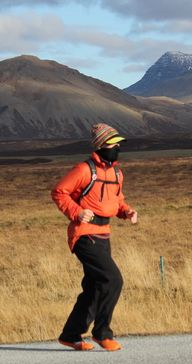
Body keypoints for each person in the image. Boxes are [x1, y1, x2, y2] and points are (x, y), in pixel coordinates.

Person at [51, 123, 138, 351]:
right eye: (113, 145)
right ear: (101, 146)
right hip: (84, 235)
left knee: (94, 287)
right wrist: (77, 212)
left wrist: (126, 211)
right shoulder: (84, 170)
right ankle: (102, 332)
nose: (117, 149)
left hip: (103, 234)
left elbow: (116, 201)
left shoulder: (117, 173)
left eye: (119, 145)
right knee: (113, 279)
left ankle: (70, 335)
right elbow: (59, 191)